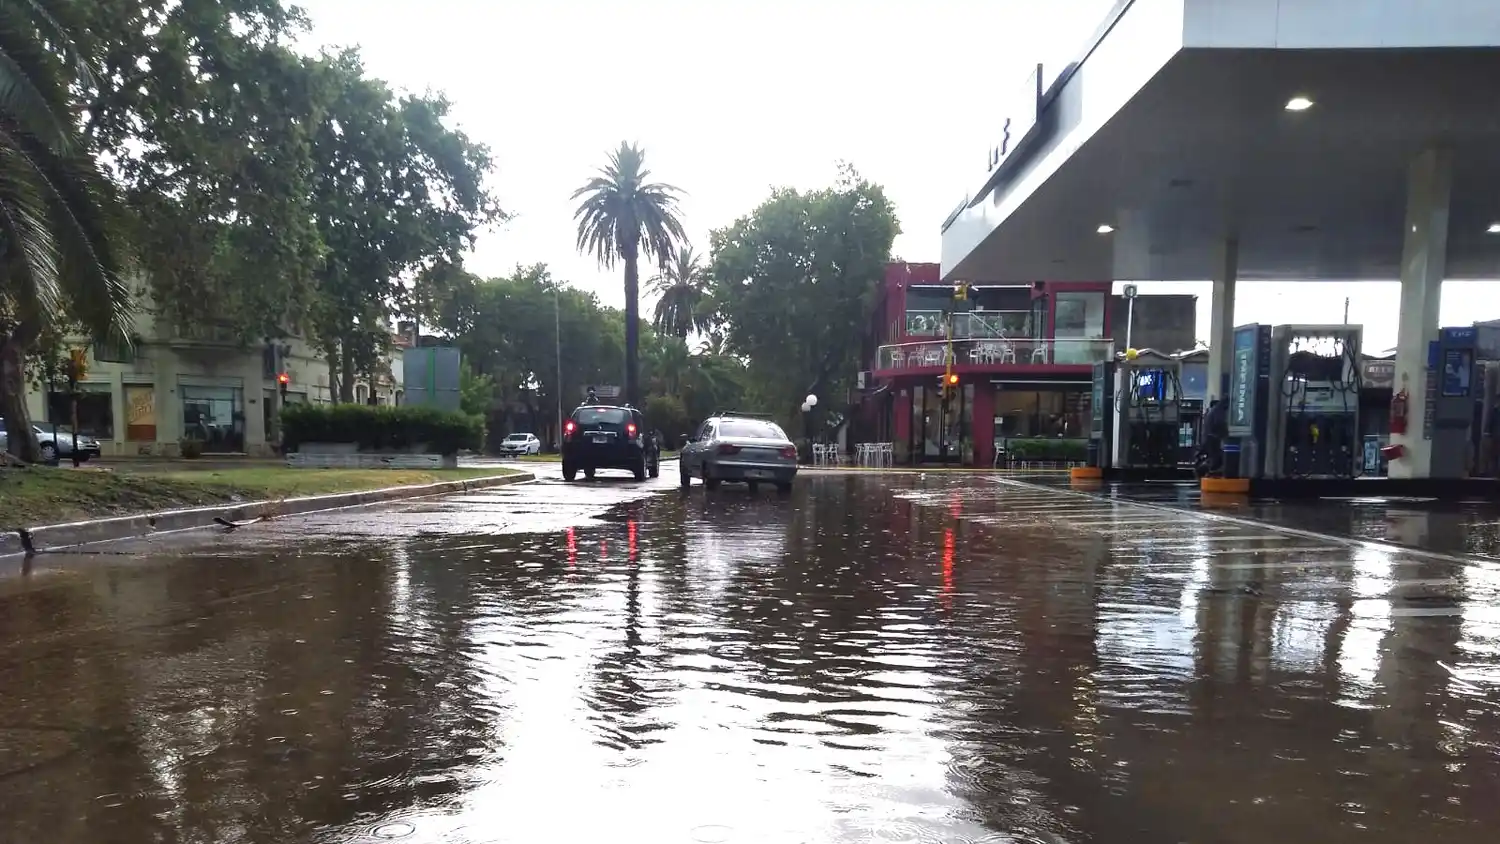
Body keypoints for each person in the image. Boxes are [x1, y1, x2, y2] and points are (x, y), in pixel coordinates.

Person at [1199, 397, 1229, 476]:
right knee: (1216, 458)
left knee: (1214, 458)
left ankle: (1208, 472)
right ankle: (1209, 473)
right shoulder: (1218, 411)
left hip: (1209, 437)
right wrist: (1226, 432)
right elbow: (1220, 423)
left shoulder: (1213, 410)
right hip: (1213, 438)